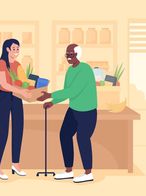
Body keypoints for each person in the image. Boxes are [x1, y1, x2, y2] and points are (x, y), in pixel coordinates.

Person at [37, 44, 97, 183]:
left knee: (82, 139)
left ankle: (88, 173)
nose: (69, 57)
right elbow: (66, 90)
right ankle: (68, 171)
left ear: (78, 55)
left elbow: (74, 91)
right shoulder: (70, 70)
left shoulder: (85, 70)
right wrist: (53, 101)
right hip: (74, 109)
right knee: (64, 135)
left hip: (87, 111)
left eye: (72, 54)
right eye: (67, 55)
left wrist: (49, 95)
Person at [0, 39, 31, 180]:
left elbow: (23, 82)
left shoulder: (18, 65)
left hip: (16, 98)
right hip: (4, 98)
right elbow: (4, 84)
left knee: (18, 130)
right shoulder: (2, 63)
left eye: (18, 49)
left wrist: (30, 90)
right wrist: (21, 91)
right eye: (14, 49)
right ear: (7, 49)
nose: (16, 51)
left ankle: (16, 164)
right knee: (3, 132)